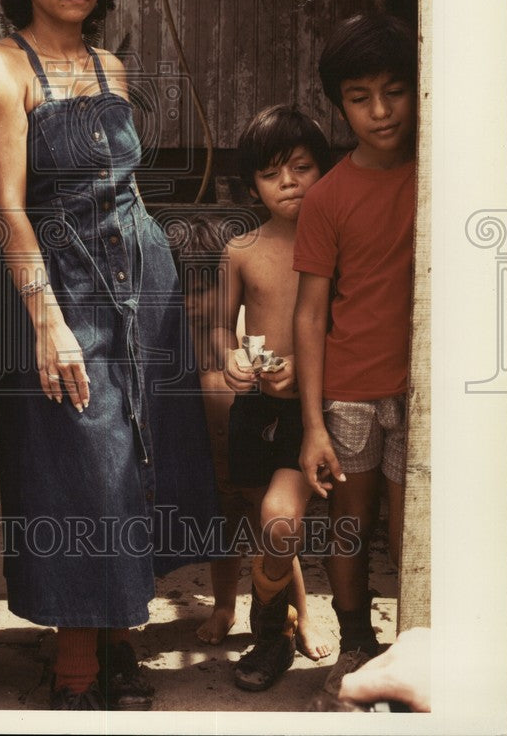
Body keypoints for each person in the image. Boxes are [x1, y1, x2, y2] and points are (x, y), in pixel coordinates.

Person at [0, 0, 220, 711]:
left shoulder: (112, 69)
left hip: (140, 285)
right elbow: (8, 207)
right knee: (82, 465)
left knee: (144, 455)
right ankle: (77, 660)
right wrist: (46, 321)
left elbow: (127, 187)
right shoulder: (6, 67)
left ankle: (119, 639)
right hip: (63, 288)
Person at [293, 13, 417, 696]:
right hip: (348, 394)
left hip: (420, 391)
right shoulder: (327, 197)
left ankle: (415, 646)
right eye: (360, 97)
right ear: (339, 106)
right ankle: (355, 642)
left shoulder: (438, 177)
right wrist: (313, 423)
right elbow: (311, 315)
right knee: (350, 524)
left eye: (394, 91)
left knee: (411, 532)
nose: (381, 111)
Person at [205, 106, 333, 690]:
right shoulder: (242, 249)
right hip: (256, 409)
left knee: (280, 519)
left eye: (301, 167)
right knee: (273, 525)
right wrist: (231, 357)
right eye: (270, 173)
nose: (288, 183)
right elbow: (217, 324)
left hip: (311, 410)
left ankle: (272, 634)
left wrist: (308, 373)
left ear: (323, 170)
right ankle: (292, 617)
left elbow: (346, 328)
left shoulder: (339, 246)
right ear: (251, 185)